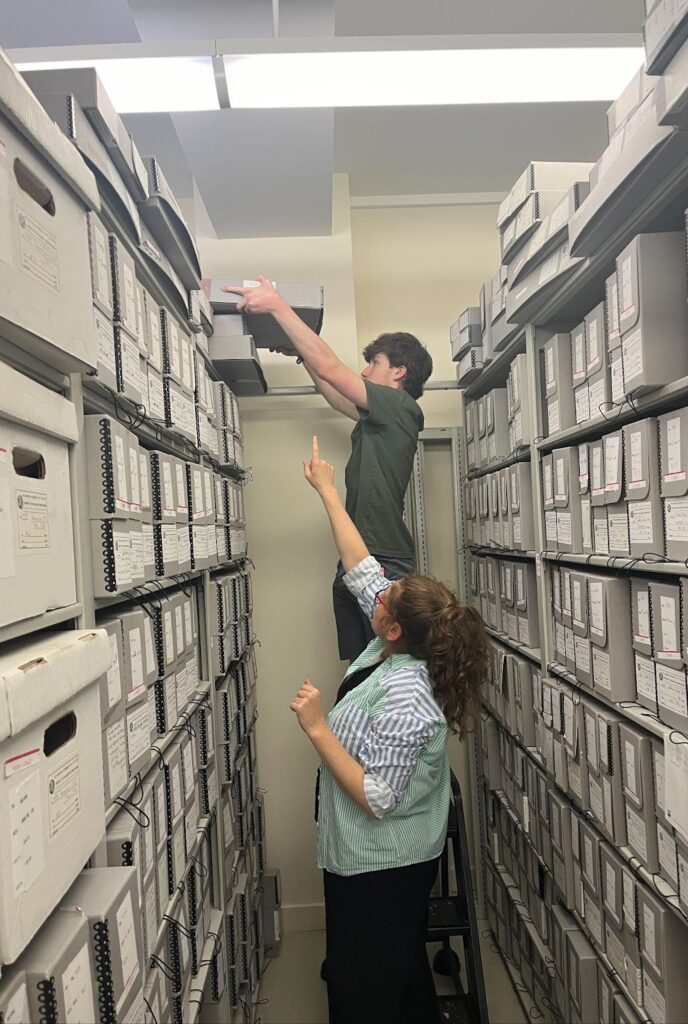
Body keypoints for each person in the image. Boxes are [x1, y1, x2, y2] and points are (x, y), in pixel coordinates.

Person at [289, 437, 489, 1024]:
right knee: (396, 970)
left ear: (395, 628)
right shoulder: (396, 642)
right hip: (371, 856)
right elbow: (362, 567)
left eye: (386, 600)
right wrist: (327, 490)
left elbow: (377, 797)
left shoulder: (408, 694)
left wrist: (318, 727)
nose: (377, 594)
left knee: (363, 985)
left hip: (383, 865)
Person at [224, 277, 433, 662]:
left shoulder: (400, 408)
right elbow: (337, 395)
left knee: (381, 670)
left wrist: (276, 305)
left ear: (399, 372)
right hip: (361, 556)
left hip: (381, 559)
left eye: (375, 363)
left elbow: (334, 369)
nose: (366, 371)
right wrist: (302, 357)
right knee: (361, 669)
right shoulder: (380, 417)